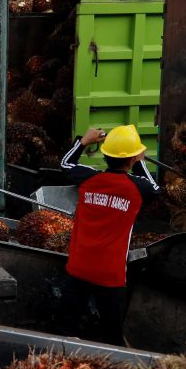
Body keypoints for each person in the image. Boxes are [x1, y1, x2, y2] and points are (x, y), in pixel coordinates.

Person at [59, 124, 160, 344]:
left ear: (105, 155)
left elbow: (66, 164)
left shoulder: (88, 178)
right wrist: (140, 161)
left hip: (78, 268)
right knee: (112, 338)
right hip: (110, 275)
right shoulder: (138, 188)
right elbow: (155, 188)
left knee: (67, 332)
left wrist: (84, 141)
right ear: (131, 159)